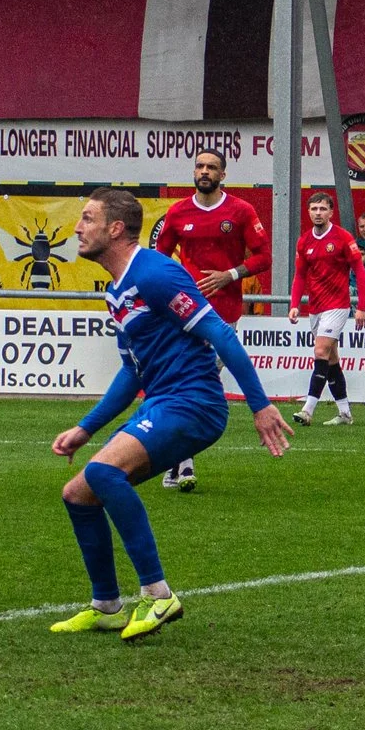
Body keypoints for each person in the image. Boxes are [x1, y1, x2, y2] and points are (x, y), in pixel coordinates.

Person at [49, 188, 291, 641]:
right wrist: (86, 428)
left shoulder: (156, 273)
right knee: (78, 493)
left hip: (194, 402)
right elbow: (130, 370)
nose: (78, 228)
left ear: (115, 228)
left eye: (87, 218)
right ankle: (106, 605)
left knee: (103, 475)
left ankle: (159, 594)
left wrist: (259, 406)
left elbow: (220, 332)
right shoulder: (116, 291)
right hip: (162, 400)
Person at [150, 149, 269, 488]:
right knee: (188, 382)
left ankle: (178, 459)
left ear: (223, 175)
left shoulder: (241, 211)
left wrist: (230, 275)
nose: (204, 171)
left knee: (193, 384)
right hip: (183, 311)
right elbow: (159, 259)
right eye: (200, 166)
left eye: (212, 167)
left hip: (223, 315)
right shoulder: (177, 213)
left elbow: (264, 255)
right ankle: (183, 462)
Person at [291, 191, 365, 426]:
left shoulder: (343, 238)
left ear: (331, 212)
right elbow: (300, 276)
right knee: (332, 359)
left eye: (322, 209)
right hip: (315, 307)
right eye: (314, 209)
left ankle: (308, 409)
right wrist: (294, 305)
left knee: (320, 351)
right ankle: (345, 413)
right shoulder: (304, 241)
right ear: (308, 212)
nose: (318, 213)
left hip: (337, 305)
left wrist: (362, 307)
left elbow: (360, 272)